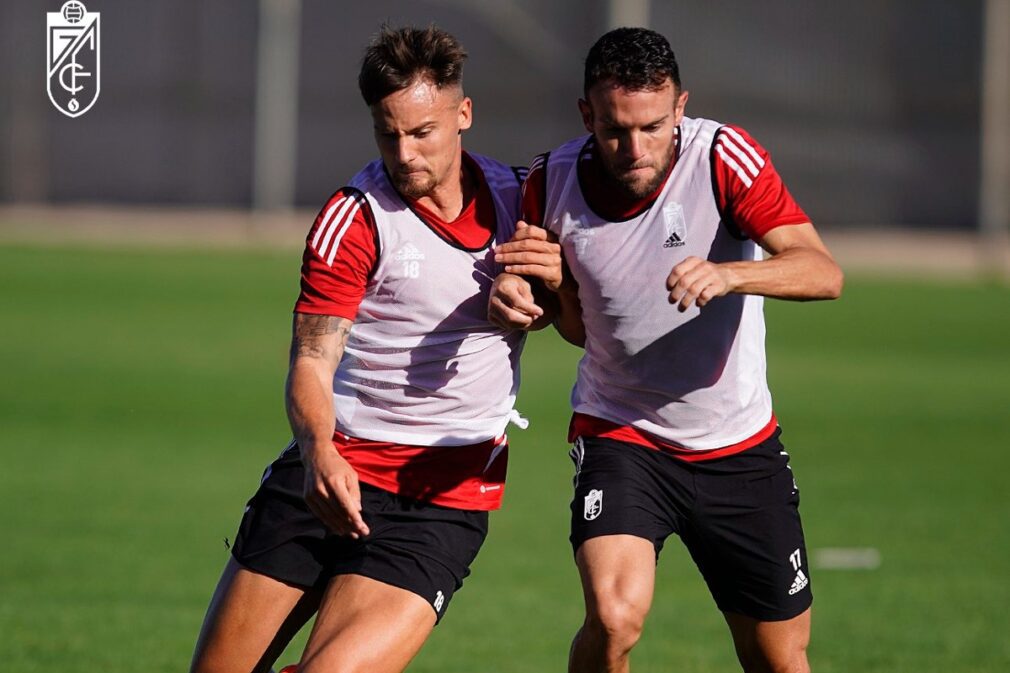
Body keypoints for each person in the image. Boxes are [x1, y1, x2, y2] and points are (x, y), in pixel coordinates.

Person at [491, 27, 843, 673]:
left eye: (652, 127)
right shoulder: (553, 180)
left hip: (738, 444)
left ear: (680, 106)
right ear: (587, 115)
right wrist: (526, 293)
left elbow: (823, 272)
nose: (634, 147)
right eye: (615, 130)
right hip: (622, 434)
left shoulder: (723, 157)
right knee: (614, 616)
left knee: (779, 658)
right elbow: (575, 327)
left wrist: (732, 273)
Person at [190, 24, 529, 673]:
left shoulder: (522, 198)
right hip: (328, 474)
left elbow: (578, 311)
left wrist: (542, 294)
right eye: (386, 132)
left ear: (463, 114)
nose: (403, 153)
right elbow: (312, 363)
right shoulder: (356, 216)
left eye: (421, 132)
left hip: (440, 499)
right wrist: (318, 451)